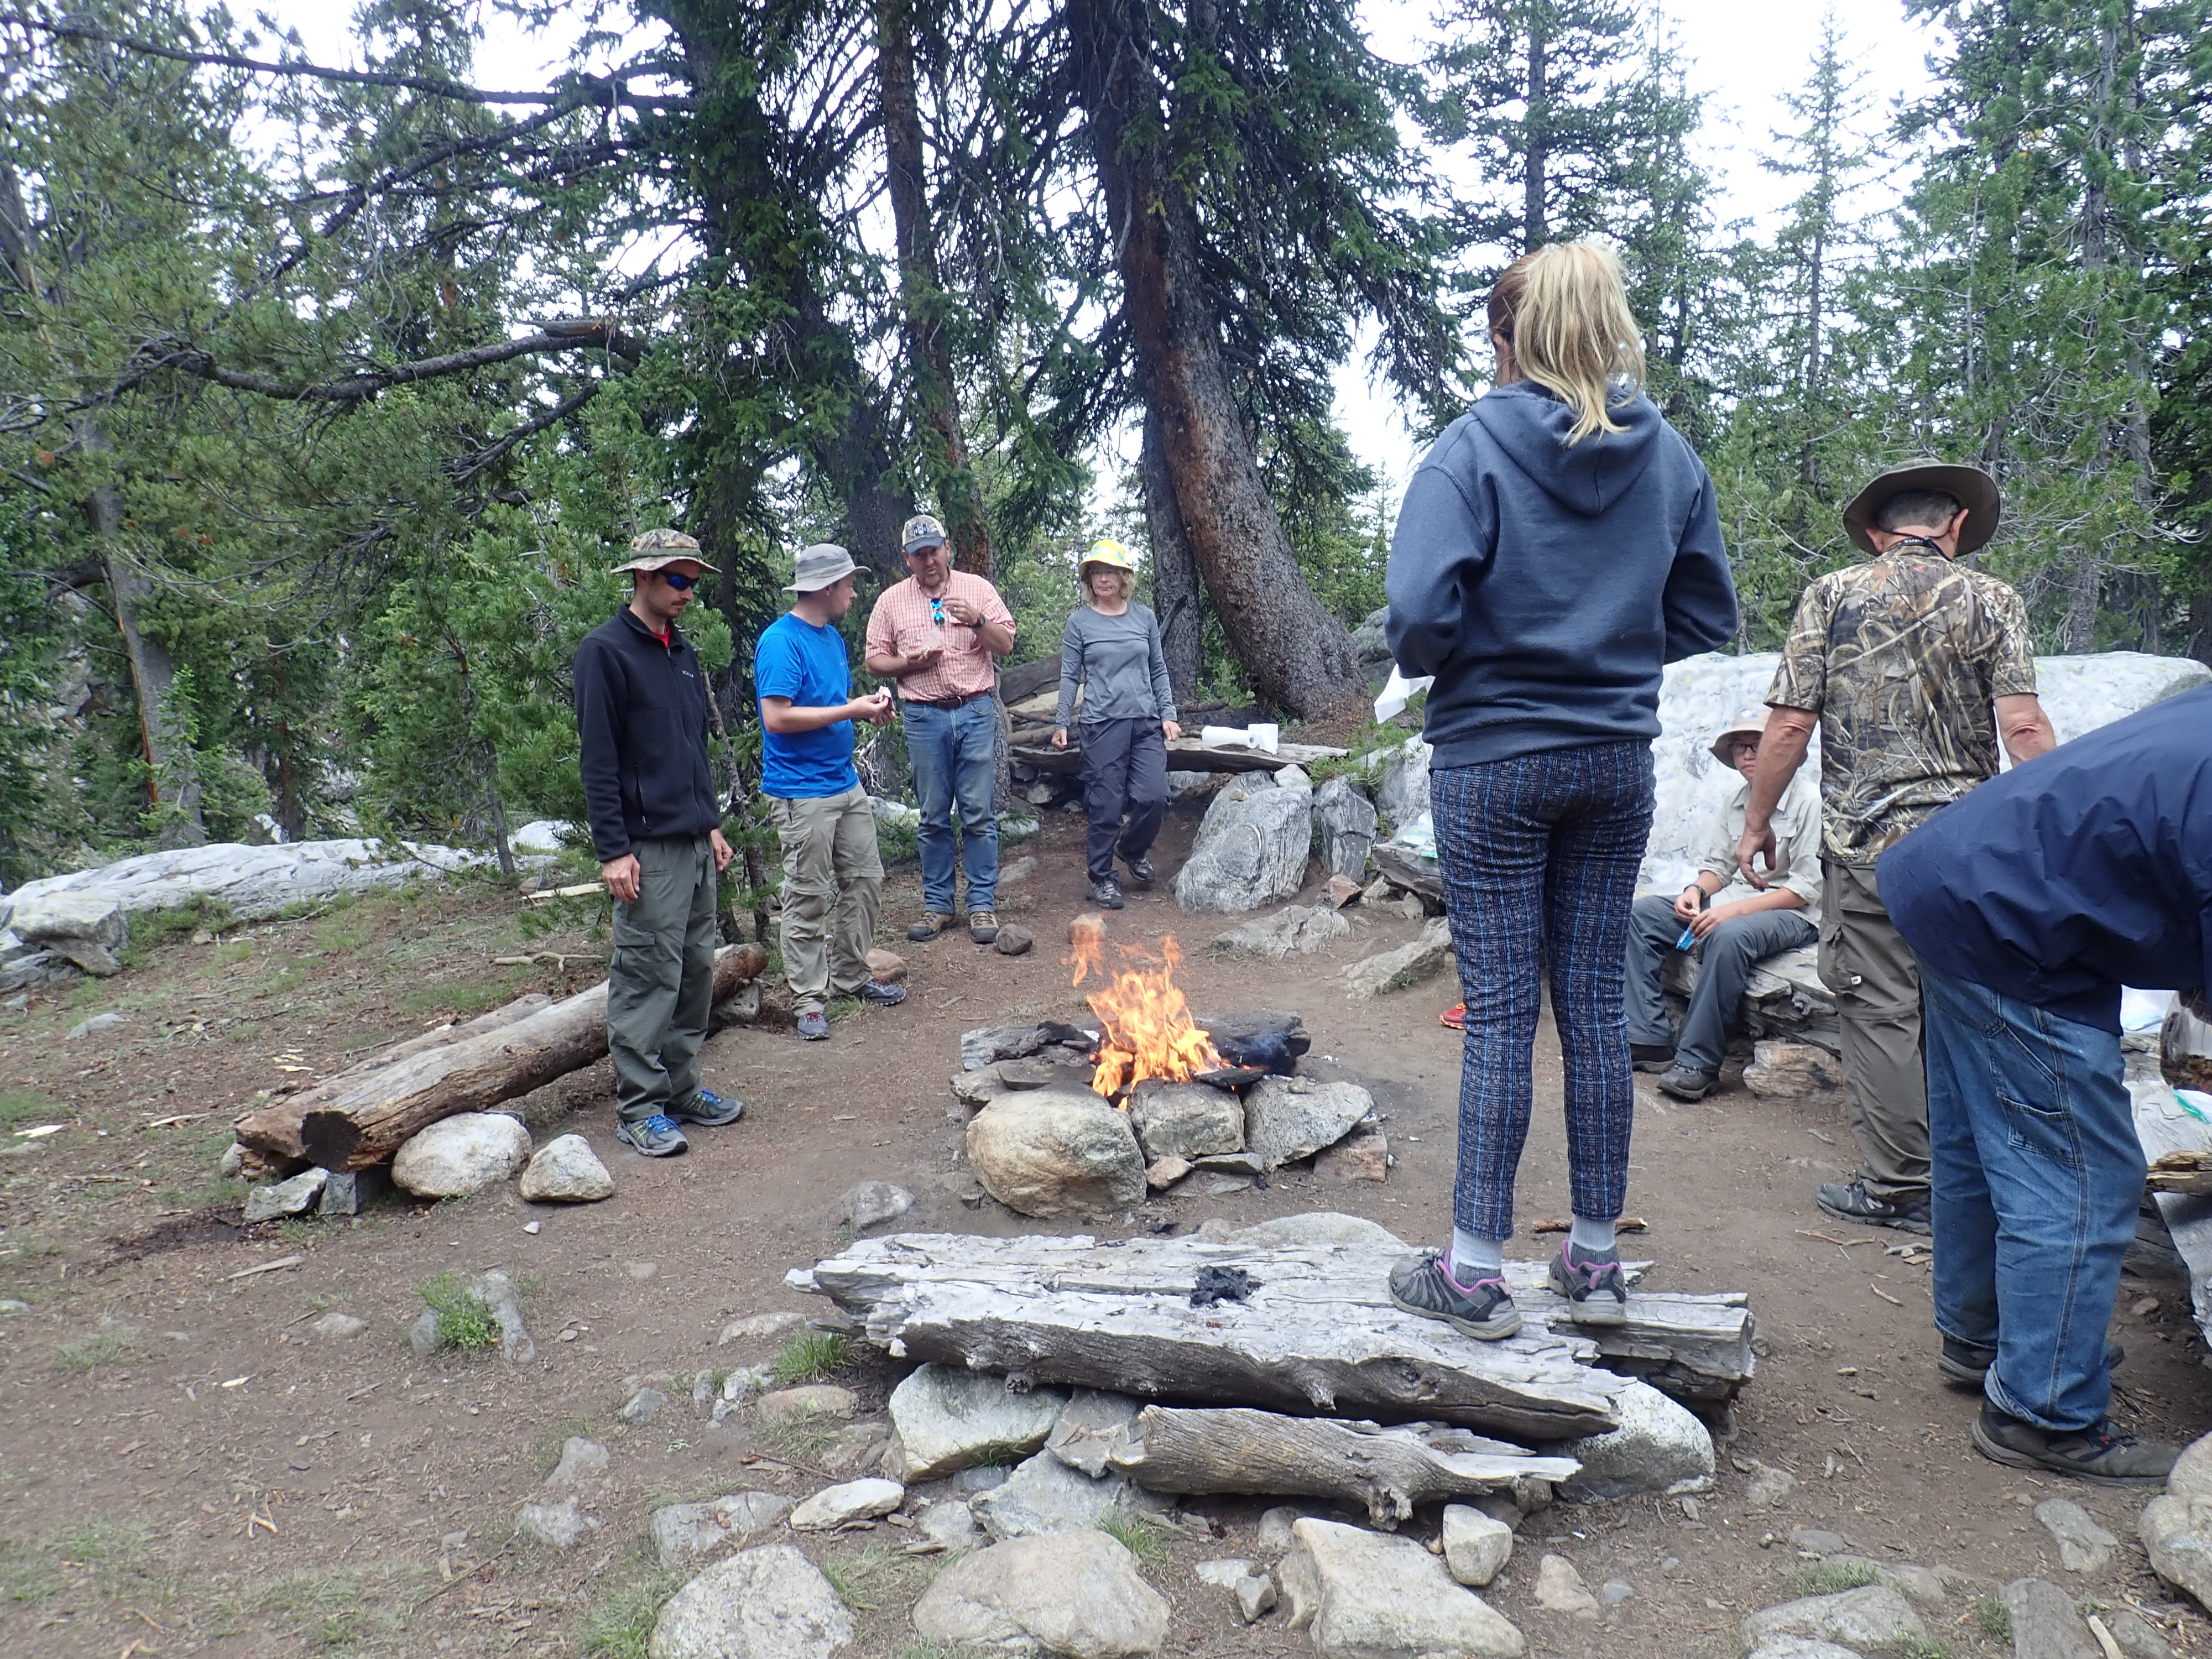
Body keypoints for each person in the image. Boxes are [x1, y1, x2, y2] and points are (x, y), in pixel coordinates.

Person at [1382, 241, 1737, 1339]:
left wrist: (1497, 646)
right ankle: (1590, 1267)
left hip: (1492, 758)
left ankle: (1475, 1275)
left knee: (1498, 1015)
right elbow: (1705, 618)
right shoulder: (1667, 455)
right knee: (1590, 1008)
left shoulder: (1469, 449)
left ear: (1510, 338)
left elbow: (1414, 622)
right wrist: (1607, 641)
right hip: (1610, 760)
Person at [1876, 685, 2212, 1486]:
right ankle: (2046, 1411)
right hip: (2012, 919)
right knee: (2084, 1175)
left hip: (1956, 878)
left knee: (1985, 1145)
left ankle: (1987, 1338)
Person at [1736, 461, 2057, 1235]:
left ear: (1880, 534)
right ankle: (1995, 1173)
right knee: (1975, 1006)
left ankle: (1902, 1189)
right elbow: (2022, 728)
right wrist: (2057, 834)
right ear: (1953, 526)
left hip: (1869, 849)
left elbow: (1786, 726)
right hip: (1968, 850)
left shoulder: (1834, 594)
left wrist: (1756, 824)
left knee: (1880, 1009)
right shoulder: (1995, 600)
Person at [573, 528, 745, 1157]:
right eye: (677, 580)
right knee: (648, 975)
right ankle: (639, 1107)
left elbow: (688, 748)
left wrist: (710, 822)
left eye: (694, 582)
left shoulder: (681, 651)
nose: (688, 592)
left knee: (697, 969)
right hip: (645, 850)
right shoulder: (605, 652)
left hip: (694, 842)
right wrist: (613, 850)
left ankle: (680, 1088)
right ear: (642, 578)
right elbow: (599, 760)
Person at [1625, 709, 1822, 1101]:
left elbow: (1804, 890)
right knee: (1643, 915)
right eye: (1739, 747)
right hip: (1732, 903)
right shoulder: (1737, 801)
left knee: (1728, 936)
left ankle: (1698, 1063)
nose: (1748, 755)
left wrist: (1730, 912)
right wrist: (1696, 891)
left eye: (1757, 745)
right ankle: (1648, 1037)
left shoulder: (1809, 801)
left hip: (1792, 913)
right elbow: (1718, 868)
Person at [755, 542, 910, 1042]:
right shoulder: (781, 642)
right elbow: (777, 718)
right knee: (807, 894)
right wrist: (852, 711)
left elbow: (824, 704)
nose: (854, 592)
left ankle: (849, 975)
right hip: (802, 793)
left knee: (865, 879)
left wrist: (864, 706)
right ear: (825, 588)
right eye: (848, 584)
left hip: (844, 783)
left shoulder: (832, 639)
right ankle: (808, 1001)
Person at [863, 513, 1018, 945]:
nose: (928, 561)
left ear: (947, 548)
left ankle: (982, 905)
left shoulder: (978, 590)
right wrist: (907, 664)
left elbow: (1005, 644)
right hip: (924, 715)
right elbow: (875, 659)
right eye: (919, 555)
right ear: (906, 559)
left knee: (979, 813)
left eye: (934, 551)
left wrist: (977, 621)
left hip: (974, 709)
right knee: (932, 815)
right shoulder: (892, 601)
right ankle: (938, 905)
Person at [1050, 539, 1180, 910]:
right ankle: (1102, 877)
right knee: (1106, 805)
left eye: (1110, 572)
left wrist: (1168, 715)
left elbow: (1158, 669)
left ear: (1124, 578)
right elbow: (1070, 676)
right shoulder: (1080, 623)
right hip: (1102, 724)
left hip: (1145, 722)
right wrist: (1062, 722)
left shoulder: (1144, 618)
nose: (1103, 579)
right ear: (1089, 580)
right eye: (1096, 573)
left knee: (1155, 796)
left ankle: (1132, 849)